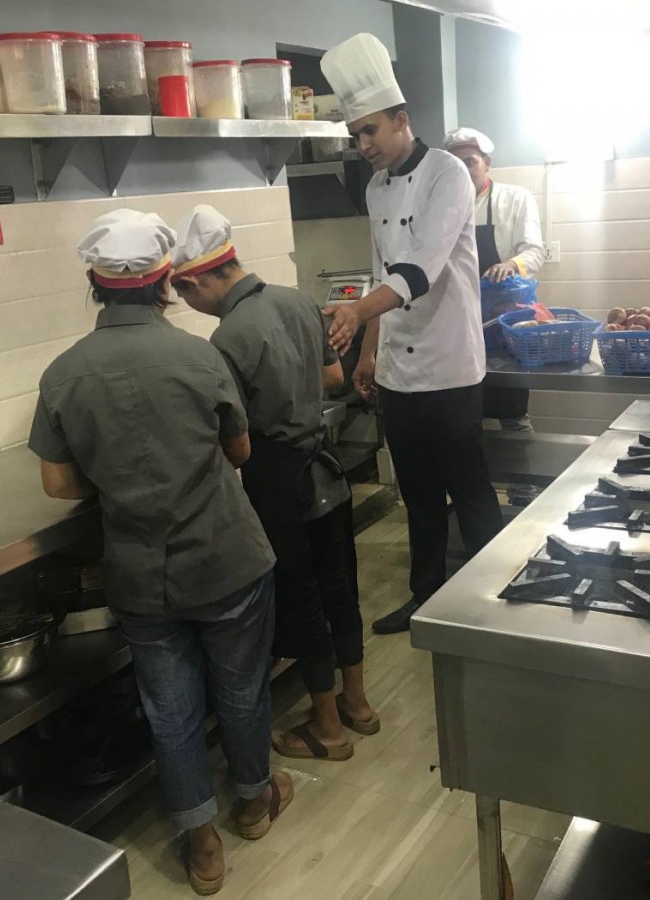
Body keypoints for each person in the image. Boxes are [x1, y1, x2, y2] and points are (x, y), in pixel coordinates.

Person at [28, 209, 292, 897]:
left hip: (141, 575)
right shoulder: (200, 357)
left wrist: (117, 477)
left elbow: (58, 484)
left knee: (169, 710)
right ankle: (253, 803)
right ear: (166, 280)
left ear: (95, 283)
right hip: (227, 559)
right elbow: (240, 450)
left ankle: (201, 844)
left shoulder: (64, 374)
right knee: (241, 689)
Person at [169, 204, 379, 763]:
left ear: (199, 281)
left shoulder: (227, 338)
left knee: (302, 597)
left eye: (184, 294)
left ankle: (328, 728)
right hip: (326, 465)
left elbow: (235, 437)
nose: (189, 305)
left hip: (279, 477)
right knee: (340, 584)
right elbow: (333, 376)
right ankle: (358, 704)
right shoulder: (297, 301)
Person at [319, 33, 505, 635]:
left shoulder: (447, 174)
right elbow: (382, 273)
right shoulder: (375, 188)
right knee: (419, 498)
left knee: (470, 492)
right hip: (399, 372)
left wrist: (354, 314)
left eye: (371, 130)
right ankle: (425, 598)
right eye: (356, 135)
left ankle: (493, 603)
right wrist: (368, 353)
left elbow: (417, 271)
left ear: (402, 119)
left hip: (450, 366)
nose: (364, 145)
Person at [445, 126, 547, 433]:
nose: (464, 171)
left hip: (505, 326)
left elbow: (535, 251)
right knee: (463, 415)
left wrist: (511, 265)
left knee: (513, 414)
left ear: (486, 163)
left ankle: (523, 467)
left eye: (470, 162)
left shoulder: (515, 198)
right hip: (458, 325)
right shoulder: (442, 207)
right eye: (456, 164)